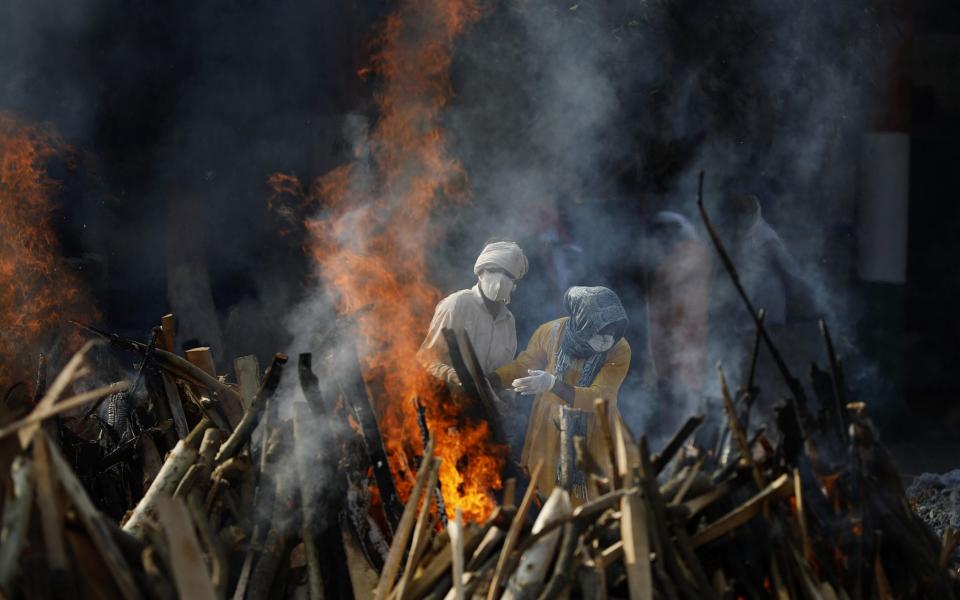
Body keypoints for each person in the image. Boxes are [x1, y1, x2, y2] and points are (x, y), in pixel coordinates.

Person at [488, 286, 631, 501]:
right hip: (548, 427)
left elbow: (600, 397)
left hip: (596, 430)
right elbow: (523, 366)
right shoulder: (550, 332)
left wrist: (553, 384)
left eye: (613, 332)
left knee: (593, 496)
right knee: (545, 493)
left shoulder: (619, 349)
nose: (607, 338)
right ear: (583, 322)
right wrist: (494, 379)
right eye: (601, 331)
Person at [417, 241, 529, 388]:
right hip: (447, 401)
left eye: (508, 274)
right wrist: (459, 378)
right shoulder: (457, 304)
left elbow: (502, 376)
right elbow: (427, 358)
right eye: (494, 270)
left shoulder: (508, 322)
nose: (501, 279)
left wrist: (506, 397)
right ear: (481, 272)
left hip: (484, 407)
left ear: (514, 282)